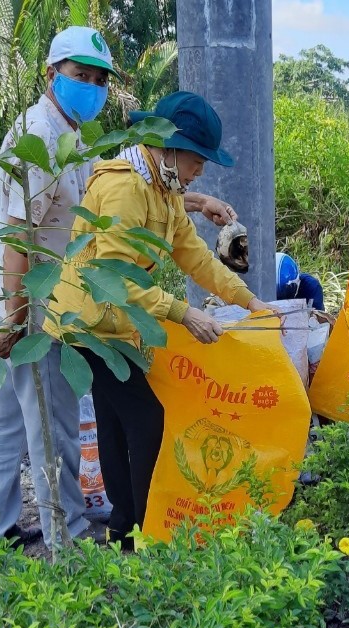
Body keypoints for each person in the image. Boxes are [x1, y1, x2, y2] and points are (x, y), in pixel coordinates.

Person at [43, 91, 275, 550]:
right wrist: (182, 313)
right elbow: (109, 278)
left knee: (115, 421)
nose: (201, 171)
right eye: (197, 159)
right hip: (88, 324)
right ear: (168, 147)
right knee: (147, 418)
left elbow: (197, 260)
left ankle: (125, 528)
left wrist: (252, 303)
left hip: (114, 323)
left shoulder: (164, 190)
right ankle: (143, 526)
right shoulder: (125, 189)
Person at [0, 26, 120, 547]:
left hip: (25, 298)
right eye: (81, 75)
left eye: (99, 79)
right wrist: (16, 322)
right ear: (52, 74)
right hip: (30, 305)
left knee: (11, 422)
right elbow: (19, 236)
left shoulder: (69, 132)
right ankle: (71, 540)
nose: (92, 86)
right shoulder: (39, 134)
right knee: (51, 427)